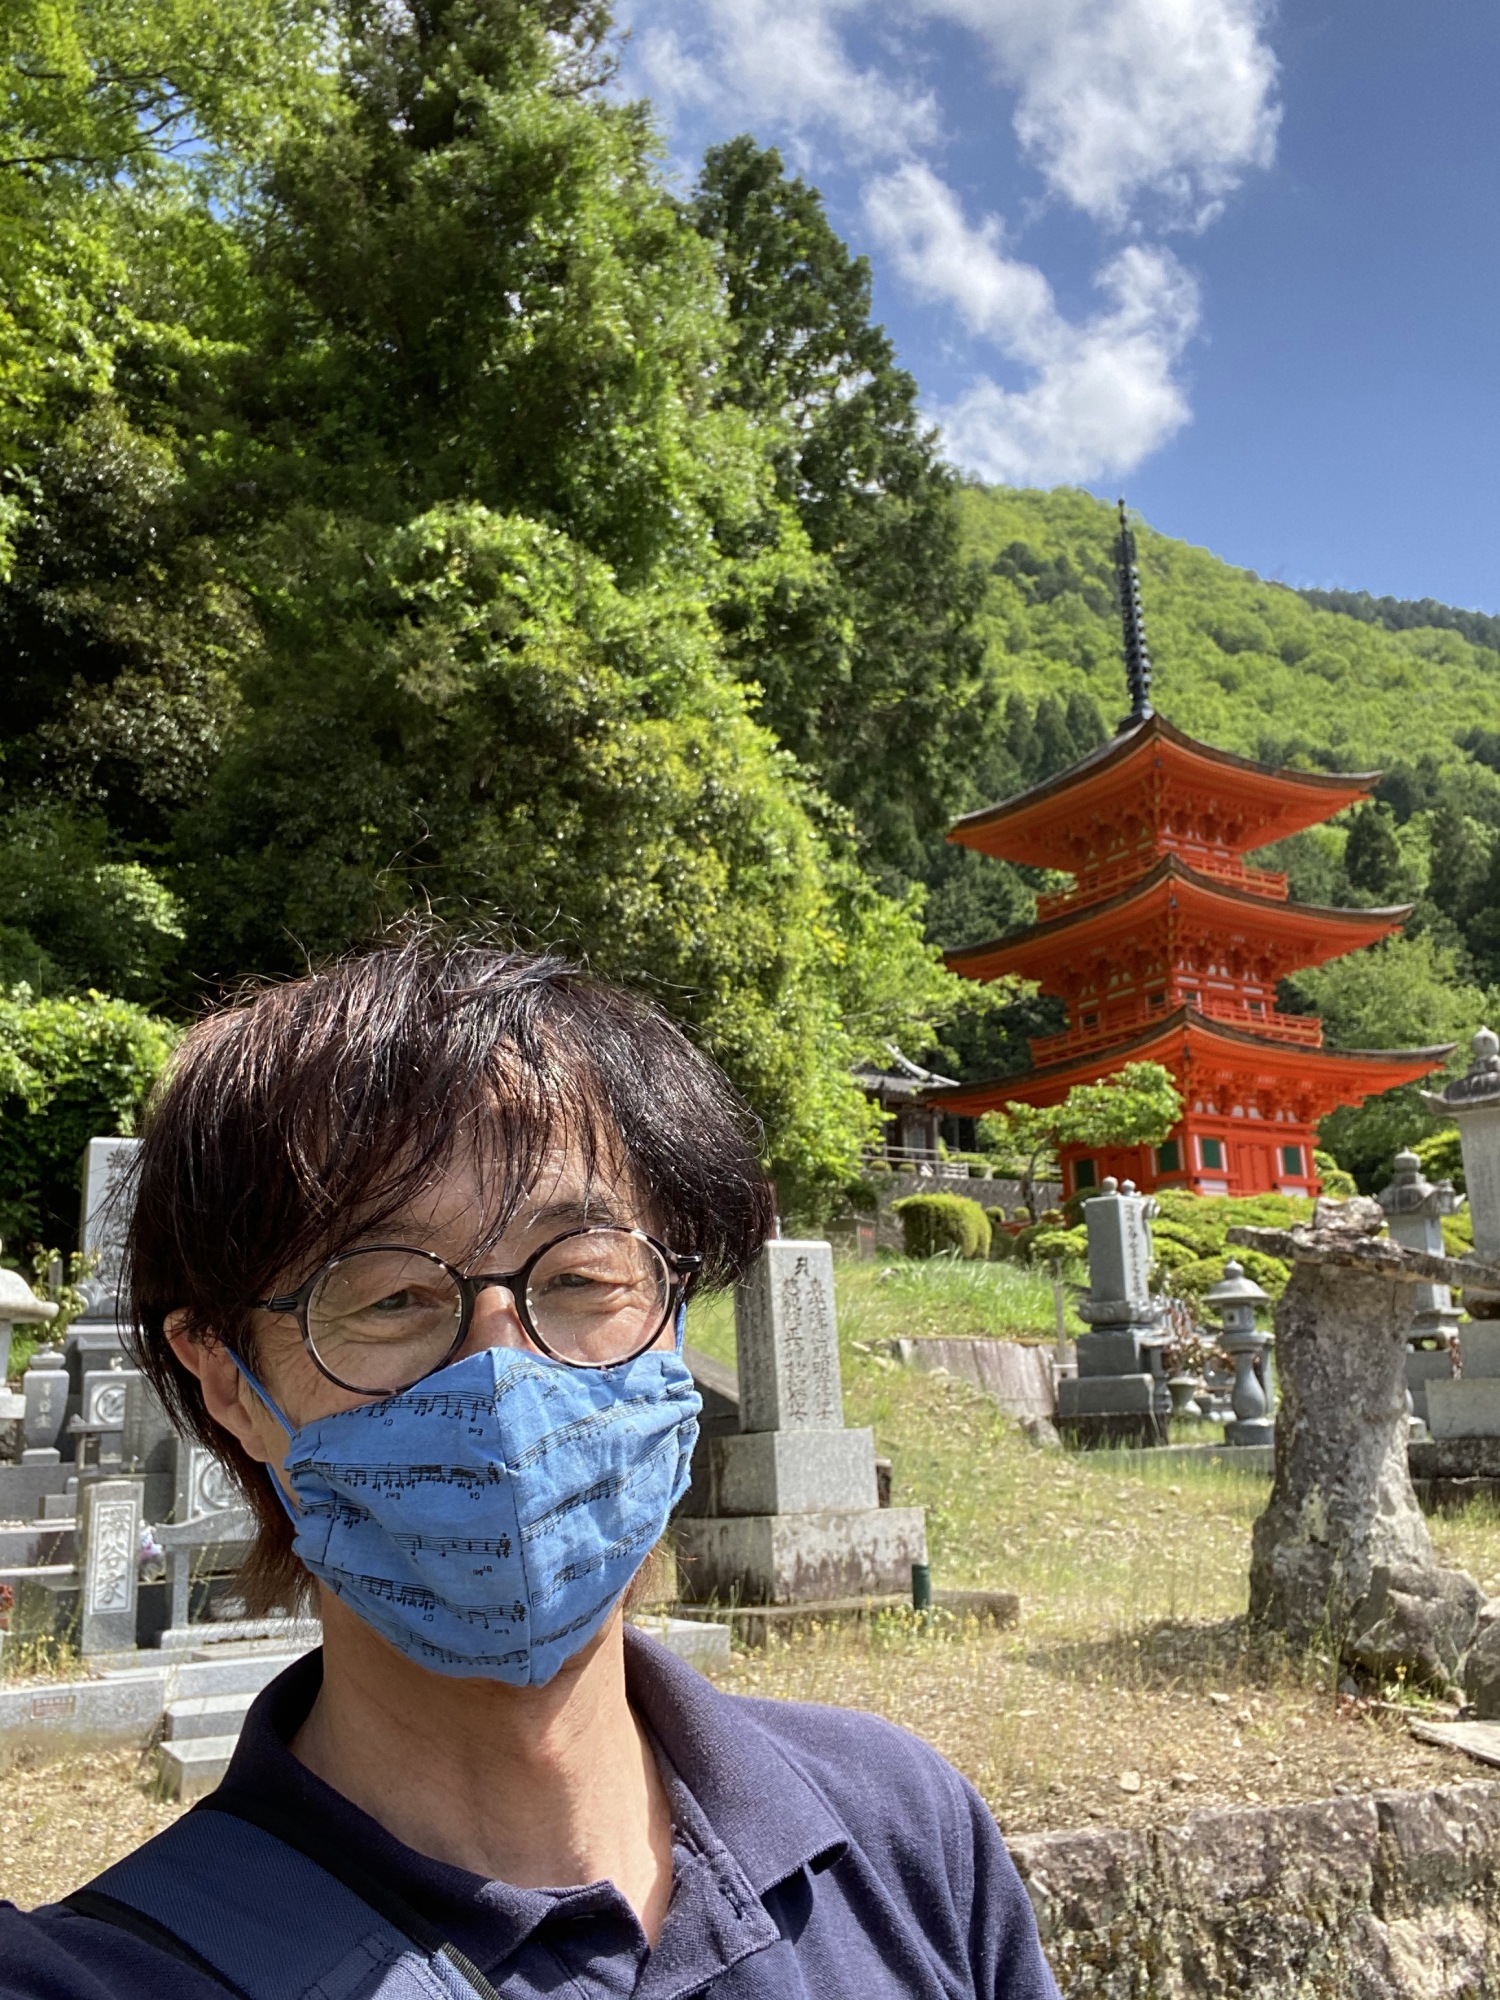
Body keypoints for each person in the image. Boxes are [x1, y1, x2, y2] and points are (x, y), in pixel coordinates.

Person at [0, 943, 1059, 1999]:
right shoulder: (89, 1980)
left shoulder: (905, 1832)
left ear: (672, 1312)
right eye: (391, 1296)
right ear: (230, 1381)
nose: (505, 1377)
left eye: (584, 1275)